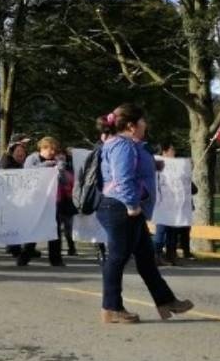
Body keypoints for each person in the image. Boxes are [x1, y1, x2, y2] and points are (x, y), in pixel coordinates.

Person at [96, 104, 193, 323]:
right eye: (142, 121)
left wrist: (153, 164)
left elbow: (133, 167)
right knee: (118, 257)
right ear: (131, 126)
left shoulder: (128, 144)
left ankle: (166, 301)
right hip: (122, 207)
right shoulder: (123, 145)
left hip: (125, 207)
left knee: (146, 259)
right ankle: (111, 308)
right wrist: (132, 205)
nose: (145, 125)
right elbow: (123, 178)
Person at [23, 137, 73, 266]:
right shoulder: (32, 158)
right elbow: (27, 173)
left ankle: (55, 259)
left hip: (53, 200)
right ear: (42, 148)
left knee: (54, 229)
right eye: (50, 149)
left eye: (54, 150)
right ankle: (24, 257)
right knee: (35, 228)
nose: (52, 152)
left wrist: (61, 170)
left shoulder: (58, 160)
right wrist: (46, 166)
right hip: (36, 200)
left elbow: (64, 182)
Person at [1, 139, 37, 264]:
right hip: (11, 200)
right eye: (17, 151)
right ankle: (14, 248)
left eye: (23, 152)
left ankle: (20, 248)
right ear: (12, 153)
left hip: (24, 200)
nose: (20, 154)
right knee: (13, 224)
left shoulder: (27, 165)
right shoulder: (7, 162)